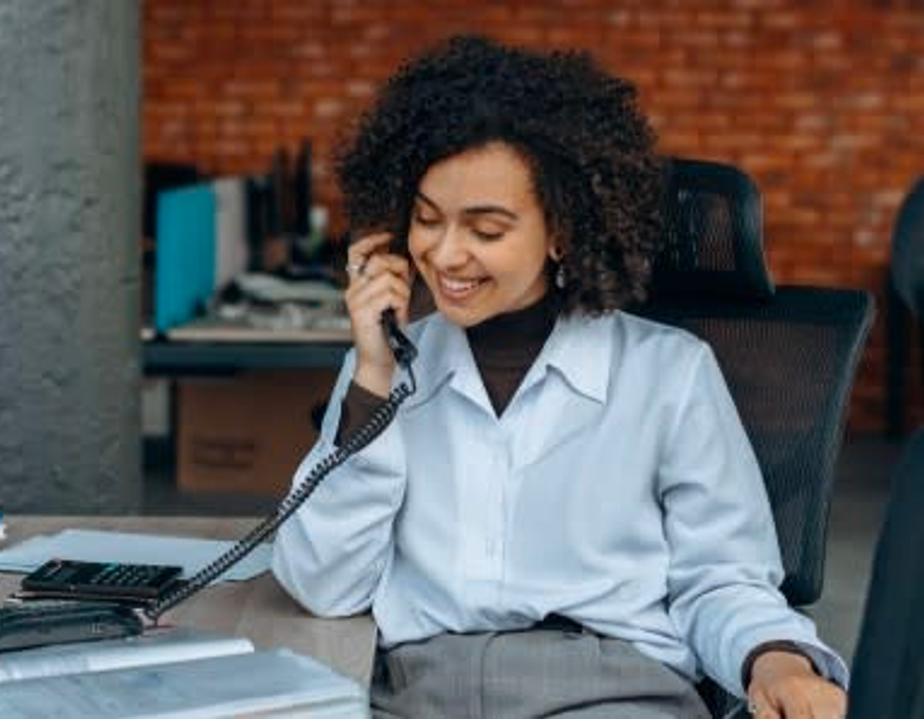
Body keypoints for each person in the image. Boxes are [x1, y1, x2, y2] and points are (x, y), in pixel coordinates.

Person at [273, 35, 848, 719]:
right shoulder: (389, 367)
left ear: (562, 232)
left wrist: (777, 659)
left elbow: (720, 577)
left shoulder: (669, 373)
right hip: (417, 691)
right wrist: (373, 377)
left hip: (608, 691)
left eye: (485, 229)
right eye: (426, 220)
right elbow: (323, 584)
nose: (445, 253)